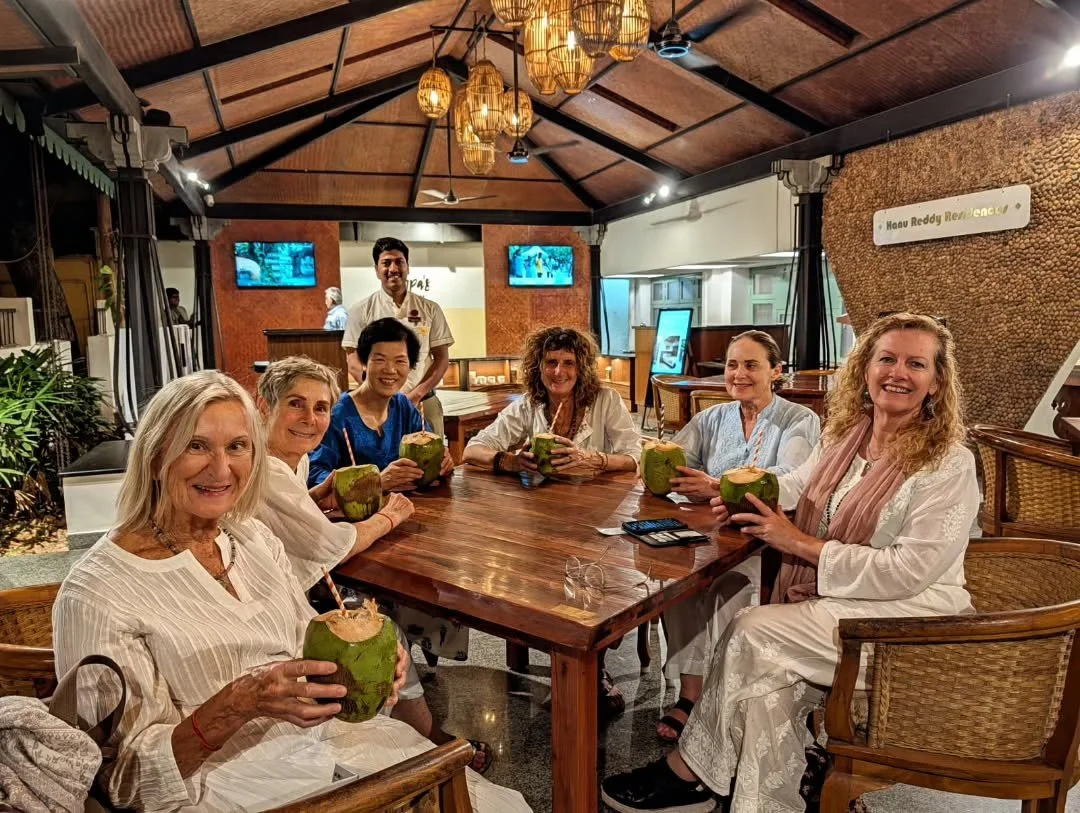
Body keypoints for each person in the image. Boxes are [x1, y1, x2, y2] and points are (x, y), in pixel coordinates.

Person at [51, 370, 529, 812]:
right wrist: (237, 704)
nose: (221, 469)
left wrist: (372, 667)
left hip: (337, 749)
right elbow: (119, 781)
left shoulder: (253, 540)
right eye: (196, 446)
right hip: (232, 790)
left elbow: (310, 645)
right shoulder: (97, 594)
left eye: (237, 446)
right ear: (156, 455)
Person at [602, 312, 980, 813]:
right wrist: (733, 493)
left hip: (908, 619)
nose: (898, 373)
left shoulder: (948, 462)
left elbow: (907, 571)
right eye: (886, 358)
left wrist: (798, 543)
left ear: (936, 383)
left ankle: (691, 773)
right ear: (865, 368)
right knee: (765, 689)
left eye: (916, 363)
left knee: (751, 630)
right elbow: (798, 484)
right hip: (837, 603)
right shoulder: (847, 436)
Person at [254, 355, 492, 773]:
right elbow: (333, 546)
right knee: (386, 630)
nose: (309, 418)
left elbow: (289, 518)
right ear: (264, 407)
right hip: (270, 610)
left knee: (385, 619)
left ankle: (400, 724)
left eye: (320, 407)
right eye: (296, 404)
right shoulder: (268, 471)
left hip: (285, 591)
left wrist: (315, 499)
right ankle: (430, 741)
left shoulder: (296, 461)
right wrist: (391, 515)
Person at [463, 326, 640, 716]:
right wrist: (509, 462)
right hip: (540, 521)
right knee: (539, 589)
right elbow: (474, 450)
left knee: (598, 595)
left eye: (568, 363)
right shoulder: (528, 406)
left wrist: (594, 460)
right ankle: (554, 657)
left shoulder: (605, 401)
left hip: (599, 520)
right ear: (538, 366)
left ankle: (596, 669)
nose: (559, 371)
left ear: (582, 369)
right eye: (551, 362)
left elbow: (634, 456)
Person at [657, 330, 820, 741]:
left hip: (764, 545)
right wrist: (663, 465)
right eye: (732, 364)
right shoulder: (712, 417)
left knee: (730, 591)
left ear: (776, 372)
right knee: (675, 590)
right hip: (709, 538)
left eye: (751, 365)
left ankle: (724, 699)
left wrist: (713, 485)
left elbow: (790, 483)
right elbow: (674, 460)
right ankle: (690, 695)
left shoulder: (799, 420)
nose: (739, 373)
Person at [309, 317, 467, 667]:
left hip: (403, 529)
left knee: (442, 571)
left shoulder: (405, 408)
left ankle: (417, 648)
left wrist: (441, 463)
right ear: (363, 362)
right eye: (379, 359)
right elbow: (315, 479)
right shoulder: (337, 415)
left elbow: (426, 459)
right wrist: (377, 480)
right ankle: (395, 661)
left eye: (400, 362)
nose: (390, 370)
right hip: (357, 540)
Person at [341, 237, 452, 436]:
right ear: (377, 269)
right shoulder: (360, 311)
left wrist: (416, 395)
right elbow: (352, 359)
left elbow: (442, 358)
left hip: (424, 402)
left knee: (434, 461)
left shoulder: (430, 309)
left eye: (399, 262)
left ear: (408, 267)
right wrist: (379, 393)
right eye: (386, 263)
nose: (393, 268)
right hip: (377, 406)